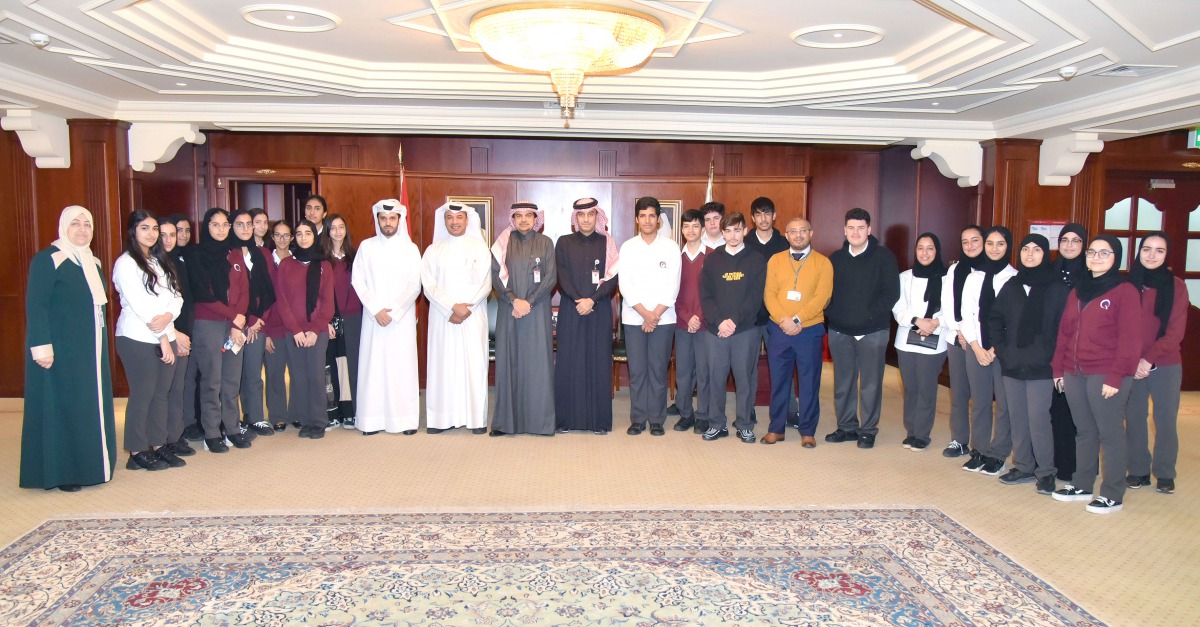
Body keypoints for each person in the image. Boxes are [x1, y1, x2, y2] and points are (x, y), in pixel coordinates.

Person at [20, 206, 117, 492]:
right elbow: (36, 305)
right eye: (75, 223)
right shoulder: (48, 259)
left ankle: (90, 466)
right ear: (64, 226)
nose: (82, 229)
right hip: (59, 350)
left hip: (90, 350)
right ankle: (64, 472)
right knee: (61, 408)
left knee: (86, 407)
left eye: (87, 224)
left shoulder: (92, 261)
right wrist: (41, 346)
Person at [1052, 235, 1142, 514]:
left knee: (1110, 433)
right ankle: (1082, 484)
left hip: (1106, 372)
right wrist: (1058, 368)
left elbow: (1131, 339)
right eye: (1092, 252)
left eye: (1105, 253)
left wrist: (1116, 376)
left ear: (1116, 258)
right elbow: (1064, 332)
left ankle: (1112, 493)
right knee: (1084, 431)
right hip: (1074, 371)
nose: (1096, 257)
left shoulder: (1125, 290)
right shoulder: (1078, 290)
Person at [987, 234, 1070, 494]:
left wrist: (1052, 357)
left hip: (1042, 367)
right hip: (1012, 365)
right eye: (1025, 249)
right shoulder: (1012, 285)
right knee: (1017, 418)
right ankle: (1023, 466)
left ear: (1045, 254)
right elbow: (995, 319)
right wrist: (1004, 351)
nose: (1030, 254)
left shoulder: (1057, 287)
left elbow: (1065, 329)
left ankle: (1046, 472)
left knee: (1038, 419)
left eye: (1036, 249)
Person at [113, 210, 184, 471]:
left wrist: (168, 315)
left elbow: (177, 297)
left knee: (161, 395)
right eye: (145, 228)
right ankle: (136, 450)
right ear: (133, 231)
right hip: (137, 338)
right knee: (143, 394)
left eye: (155, 229)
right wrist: (162, 337)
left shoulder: (158, 260)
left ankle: (158, 444)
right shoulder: (126, 263)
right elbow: (141, 305)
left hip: (166, 333)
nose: (152, 233)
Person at [824, 208, 900, 449]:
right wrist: (835, 317)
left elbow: (891, 293)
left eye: (860, 227)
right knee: (843, 382)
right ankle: (846, 427)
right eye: (851, 228)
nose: (855, 232)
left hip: (873, 331)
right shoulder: (835, 259)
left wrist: (868, 318)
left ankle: (868, 430)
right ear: (844, 230)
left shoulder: (884, 257)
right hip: (840, 331)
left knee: (871, 383)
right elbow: (826, 294)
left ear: (869, 229)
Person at [183, 208, 252, 453]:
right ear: (207, 226)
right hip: (208, 323)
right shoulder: (195, 254)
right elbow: (203, 293)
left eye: (225, 225)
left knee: (232, 380)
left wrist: (236, 324)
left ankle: (232, 428)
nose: (221, 230)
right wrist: (234, 317)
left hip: (234, 326)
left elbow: (244, 290)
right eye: (216, 225)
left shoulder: (235, 253)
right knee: (211, 380)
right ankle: (212, 432)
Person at [353, 199, 423, 435]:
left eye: (392, 218)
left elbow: (415, 285)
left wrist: (394, 311)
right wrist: (376, 310)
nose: (388, 223)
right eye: (383, 218)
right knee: (373, 368)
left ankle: (405, 421)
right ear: (378, 220)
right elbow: (358, 281)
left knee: (401, 369)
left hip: (400, 320)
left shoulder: (410, 249)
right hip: (373, 319)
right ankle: (371, 421)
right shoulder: (366, 247)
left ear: (399, 220)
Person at [421, 201, 492, 435]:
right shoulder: (433, 250)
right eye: (450, 218)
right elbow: (428, 285)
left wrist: (464, 308)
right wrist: (451, 307)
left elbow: (486, 283)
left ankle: (476, 419)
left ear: (466, 220)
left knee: (473, 366)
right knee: (444, 366)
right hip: (443, 317)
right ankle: (441, 420)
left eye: (459, 217)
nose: (454, 222)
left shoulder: (480, 248)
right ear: (444, 221)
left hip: (473, 316)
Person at [763, 217, 833, 447]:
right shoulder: (775, 260)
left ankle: (808, 431)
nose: (798, 235)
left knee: (809, 382)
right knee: (779, 380)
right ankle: (776, 428)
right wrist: (784, 320)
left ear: (811, 233)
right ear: (786, 235)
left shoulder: (823, 263)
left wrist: (797, 319)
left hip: (809, 330)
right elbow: (769, 294)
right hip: (779, 328)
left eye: (803, 230)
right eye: (793, 231)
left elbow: (822, 297)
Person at [1126, 232, 1186, 495]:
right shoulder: (1128, 284)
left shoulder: (1176, 286)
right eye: (1147, 249)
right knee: (1134, 417)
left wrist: (1148, 359)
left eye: (1159, 250)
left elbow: (1175, 332)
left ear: (1166, 255)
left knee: (1165, 419)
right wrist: (1134, 359)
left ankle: (1165, 472)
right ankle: (1138, 470)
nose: (1151, 255)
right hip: (1131, 363)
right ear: (1139, 252)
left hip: (1166, 363)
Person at [699, 212, 768, 443]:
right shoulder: (712, 260)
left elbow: (755, 298)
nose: (733, 235)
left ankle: (744, 424)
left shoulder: (756, 259)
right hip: (716, 330)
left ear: (745, 231)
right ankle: (716, 424)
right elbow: (706, 295)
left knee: (744, 379)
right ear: (722, 232)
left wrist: (734, 321)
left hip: (745, 329)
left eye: (737, 230)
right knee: (715, 378)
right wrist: (720, 321)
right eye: (728, 231)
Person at [491, 201, 557, 436]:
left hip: (536, 311)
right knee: (508, 364)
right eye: (518, 216)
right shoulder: (502, 243)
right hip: (509, 311)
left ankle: (540, 424)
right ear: (513, 219)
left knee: (537, 365)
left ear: (536, 219)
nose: (523, 220)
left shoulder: (545, 242)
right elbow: (495, 276)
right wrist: (513, 300)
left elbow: (551, 277)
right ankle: (505, 423)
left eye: (528, 215)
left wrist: (528, 302)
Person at [554, 198, 620, 434]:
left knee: (598, 362)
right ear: (575, 218)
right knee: (568, 362)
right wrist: (579, 299)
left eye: (590, 215)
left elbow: (613, 277)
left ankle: (599, 422)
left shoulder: (607, 243)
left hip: (599, 309)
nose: (585, 219)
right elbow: (561, 275)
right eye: (581, 215)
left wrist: (592, 299)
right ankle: (565, 421)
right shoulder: (564, 242)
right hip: (571, 309)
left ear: (597, 217)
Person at [618, 197, 681, 436]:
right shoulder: (628, 247)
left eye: (651, 216)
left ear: (658, 219)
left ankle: (656, 419)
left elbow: (673, 285)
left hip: (663, 319)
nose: (647, 220)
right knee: (637, 371)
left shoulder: (671, 247)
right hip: (634, 318)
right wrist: (645, 314)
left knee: (657, 370)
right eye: (643, 216)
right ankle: (637, 419)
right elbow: (625, 285)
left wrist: (654, 315)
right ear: (637, 219)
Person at [959, 226, 1016, 475]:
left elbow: (1013, 319)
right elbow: (967, 314)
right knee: (980, 401)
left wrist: (993, 350)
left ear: (1008, 247)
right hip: (976, 347)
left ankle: (998, 453)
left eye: (1000, 244)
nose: (994, 248)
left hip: (1003, 351)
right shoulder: (974, 277)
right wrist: (976, 346)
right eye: (990, 243)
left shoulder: (1015, 278)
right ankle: (980, 450)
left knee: (1004, 404)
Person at [274, 219, 335, 439]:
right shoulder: (286, 265)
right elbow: (282, 302)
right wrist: (296, 330)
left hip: (317, 332)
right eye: (299, 234)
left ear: (314, 236)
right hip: (294, 332)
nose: (303, 238)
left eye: (307, 233)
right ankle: (306, 420)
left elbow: (328, 303)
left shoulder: (324, 265)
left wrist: (314, 330)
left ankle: (319, 421)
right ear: (294, 238)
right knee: (299, 377)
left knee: (316, 376)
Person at [891, 233, 948, 452]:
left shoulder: (947, 278)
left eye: (930, 248)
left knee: (926, 388)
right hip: (906, 341)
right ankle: (911, 430)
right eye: (920, 248)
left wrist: (934, 323)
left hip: (934, 341)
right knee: (910, 388)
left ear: (937, 251)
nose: (925, 253)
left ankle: (922, 434)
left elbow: (951, 309)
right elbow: (898, 308)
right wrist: (917, 321)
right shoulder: (905, 277)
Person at [939, 225, 985, 458]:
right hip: (957, 339)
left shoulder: (992, 269)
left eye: (974, 240)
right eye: (965, 242)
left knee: (981, 397)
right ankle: (959, 440)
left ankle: (981, 445)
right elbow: (948, 304)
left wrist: (972, 334)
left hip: (983, 342)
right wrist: (960, 331)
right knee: (959, 394)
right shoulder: (955, 270)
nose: (970, 245)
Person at [745, 197, 792, 425]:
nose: (763, 218)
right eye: (758, 214)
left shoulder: (785, 243)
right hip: (750, 317)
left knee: (782, 365)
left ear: (774, 216)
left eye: (767, 213)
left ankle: (788, 411)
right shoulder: (744, 243)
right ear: (752, 218)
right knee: (747, 367)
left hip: (778, 316)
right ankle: (747, 410)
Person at [230, 208, 277, 439]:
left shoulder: (263, 254)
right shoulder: (227, 254)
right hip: (234, 324)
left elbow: (270, 291)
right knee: (232, 376)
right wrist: (246, 321)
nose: (246, 228)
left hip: (258, 323)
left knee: (254, 373)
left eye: (249, 224)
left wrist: (260, 321)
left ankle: (255, 416)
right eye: (240, 224)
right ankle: (233, 421)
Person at [1050, 223, 1087, 480]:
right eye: (1065, 240)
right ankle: (1053, 463)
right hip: (1050, 352)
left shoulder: (1091, 275)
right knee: (1054, 411)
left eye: (1076, 240)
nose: (1070, 245)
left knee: (1078, 412)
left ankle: (1076, 466)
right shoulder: (1048, 273)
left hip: (1079, 354)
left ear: (1084, 245)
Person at [158, 220, 196, 458]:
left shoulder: (179, 262)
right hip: (163, 334)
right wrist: (175, 334)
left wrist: (185, 334)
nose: (169, 240)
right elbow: (155, 308)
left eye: (173, 235)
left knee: (177, 388)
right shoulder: (153, 263)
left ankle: (175, 436)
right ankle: (160, 440)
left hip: (181, 332)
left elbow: (184, 301)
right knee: (162, 390)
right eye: (164, 235)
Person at [672, 209, 712, 434]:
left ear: (702, 229)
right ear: (682, 230)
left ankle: (703, 415)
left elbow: (717, 294)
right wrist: (688, 317)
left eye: (695, 226)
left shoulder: (713, 256)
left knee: (704, 372)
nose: (691, 230)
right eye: (686, 226)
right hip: (682, 324)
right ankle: (686, 413)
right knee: (684, 373)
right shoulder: (675, 258)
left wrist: (700, 317)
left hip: (706, 325)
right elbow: (672, 294)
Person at [326, 213, 362, 430]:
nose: (338, 231)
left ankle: (351, 411)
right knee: (330, 365)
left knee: (351, 365)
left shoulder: (356, 257)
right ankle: (333, 411)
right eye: (333, 228)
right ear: (327, 231)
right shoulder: (321, 259)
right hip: (329, 318)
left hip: (353, 317)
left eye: (341, 227)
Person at [263, 220, 294, 431]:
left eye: (286, 235)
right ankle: (278, 415)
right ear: (272, 237)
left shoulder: (298, 261)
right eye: (278, 235)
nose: (282, 239)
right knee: (274, 374)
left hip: (295, 328)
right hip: (272, 327)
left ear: (291, 238)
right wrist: (264, 332)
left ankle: (297, 413)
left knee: (298, 374)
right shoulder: (266, 261)